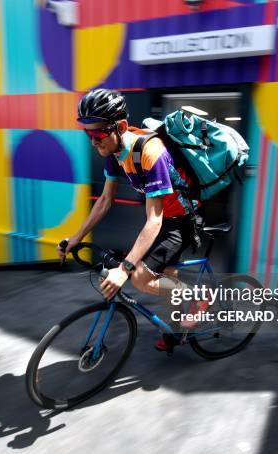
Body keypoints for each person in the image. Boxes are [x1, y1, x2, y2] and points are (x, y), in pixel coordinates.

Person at [58, 89, 207, 351]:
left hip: (181, 219)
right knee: (167, 278)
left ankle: (200, 295)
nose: (93, 141)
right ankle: (175, 330)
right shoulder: (115, 153)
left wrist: (124, 269)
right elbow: (104, 201)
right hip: (162, 219)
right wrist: (76, 238)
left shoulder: (151, 152)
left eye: (98, 133)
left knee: (140, 278)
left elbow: (155, 220)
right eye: (87, 133)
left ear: (121, 126)